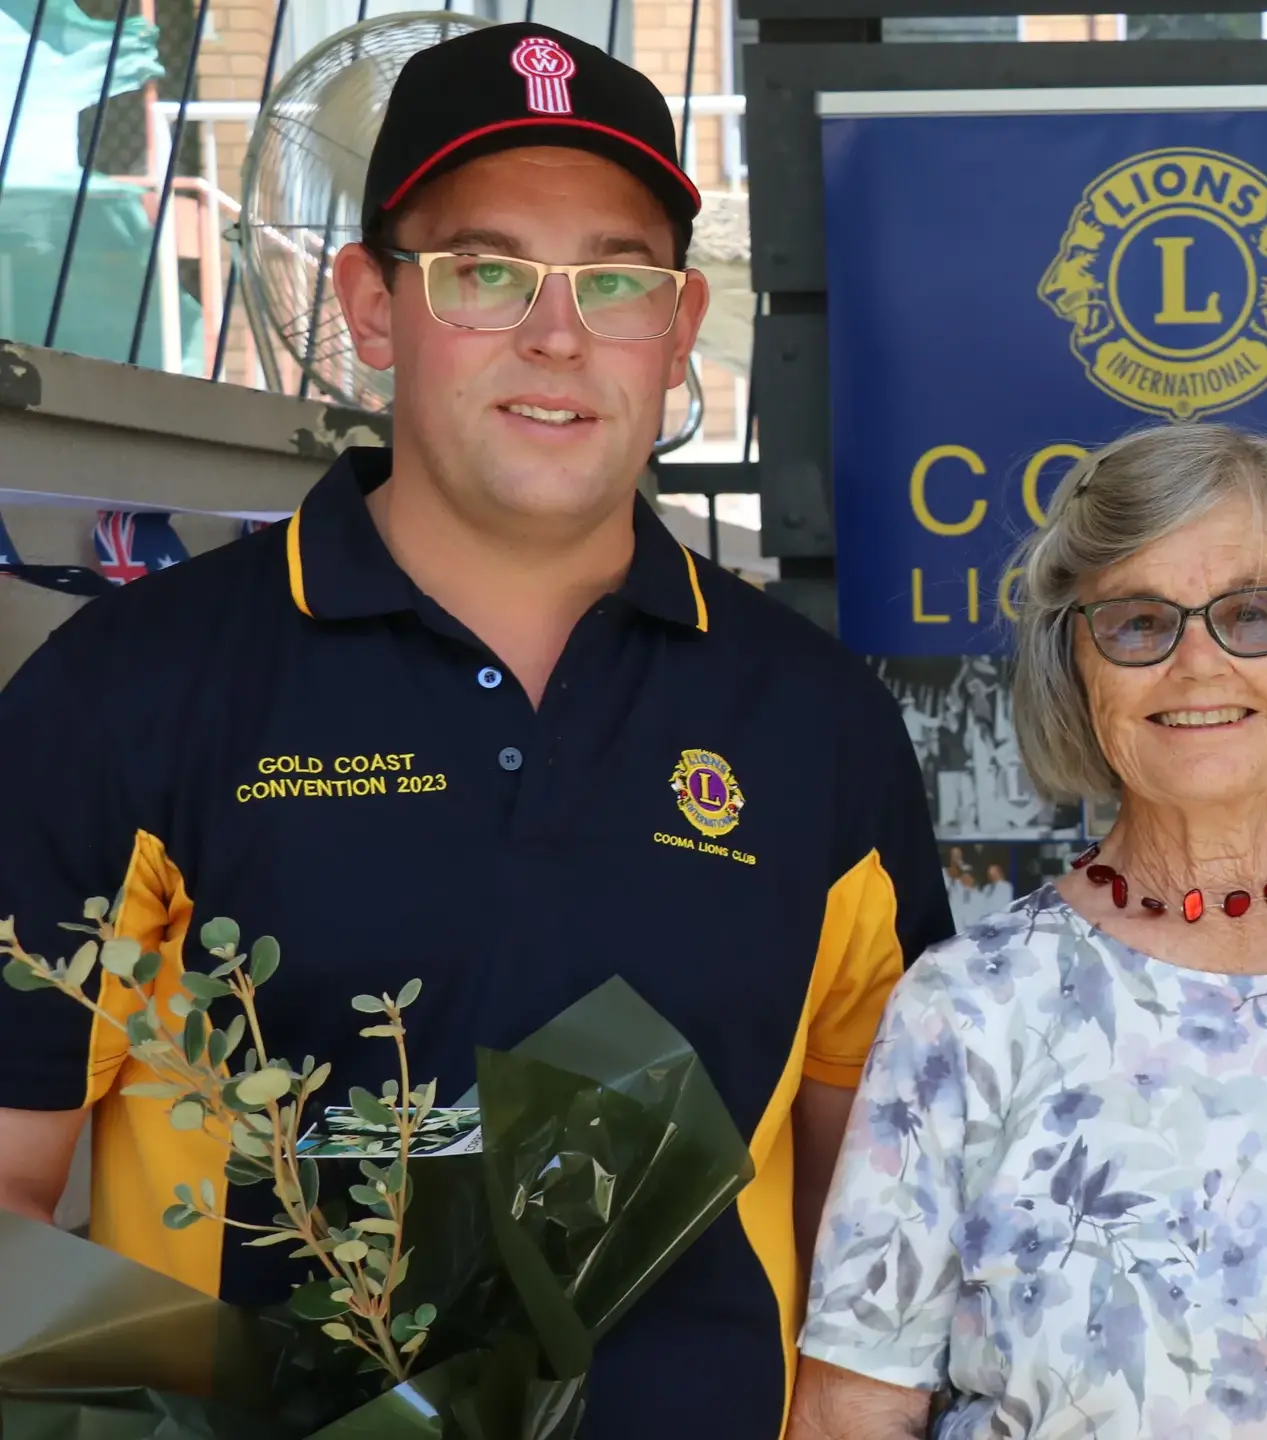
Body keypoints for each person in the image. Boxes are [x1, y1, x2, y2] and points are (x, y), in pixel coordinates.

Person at [0, 25, 953, 1439]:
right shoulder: (131, 695)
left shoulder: (815, 723)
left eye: (615, 279)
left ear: (679, 325)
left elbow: (875, 1233)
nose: (556, 332)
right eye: (485, 271)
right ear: (372, 307)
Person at [788, 424, 1267, 1439]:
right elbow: (854, 1411)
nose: (1199, 663)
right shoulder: (964, 1010)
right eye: (1140, 624)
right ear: (1080, 674)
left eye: (1250, 614)